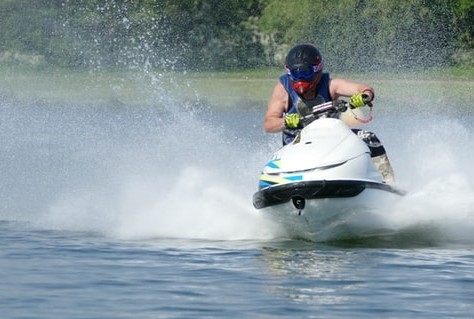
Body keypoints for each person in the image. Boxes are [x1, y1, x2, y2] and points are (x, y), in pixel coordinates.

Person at [263, 43, 395, 184]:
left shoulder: (331, 85)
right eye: (296, 73)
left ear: (317, 70)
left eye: (305, 72)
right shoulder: (283, 90)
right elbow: (268, 124)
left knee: (369, 138)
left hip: (332, 140)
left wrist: (364, 96)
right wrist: (286, 122)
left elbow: (362, 88)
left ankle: (388, 182)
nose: (300, 79)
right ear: (288, 72)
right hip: (296, 143)